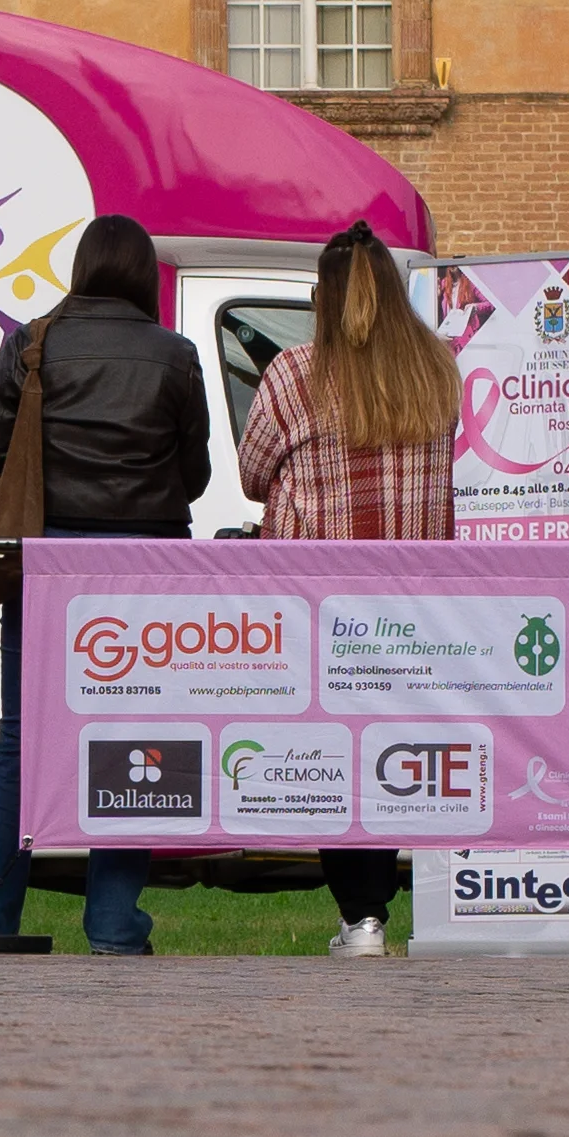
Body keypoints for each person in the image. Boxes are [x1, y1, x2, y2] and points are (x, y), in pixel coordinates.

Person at [0, 215, 211, 953]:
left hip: (46, 570)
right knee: (134, 743)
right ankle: (110, 924)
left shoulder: (30, 345)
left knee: (19, 743)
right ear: (142, 276)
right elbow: (193, 477)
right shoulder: (176, 356)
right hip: (146, 576)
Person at [234, 221, 455, 956]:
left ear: (319, 298)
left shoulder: (294, 374)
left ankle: (361, 914)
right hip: (412, 605)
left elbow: (250, 473)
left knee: (333, 754)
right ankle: (377, 910)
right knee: (393, 750)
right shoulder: (438, 368)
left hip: (316, 607)